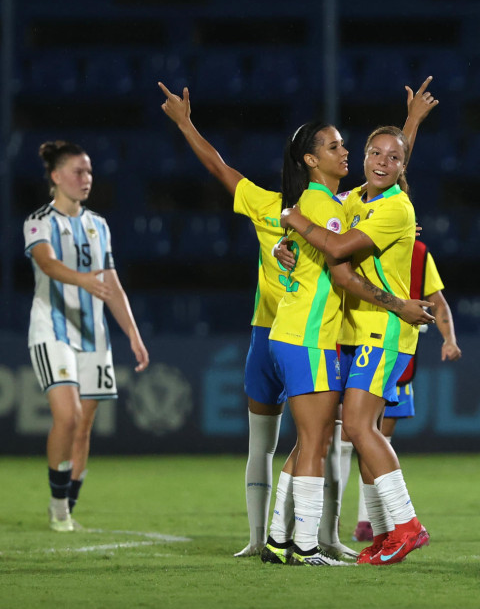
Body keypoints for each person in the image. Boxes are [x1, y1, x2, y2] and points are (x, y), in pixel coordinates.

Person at [158, 79, 437, 562]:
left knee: (302, 441)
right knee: (329, 437)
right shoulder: (329, 208)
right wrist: (397, 303)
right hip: (317, 335)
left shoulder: (316, 204)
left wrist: (290, 225)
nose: (355, 154)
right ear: (311, 159)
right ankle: (327, 540)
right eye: (340, 146)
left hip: (280, 332)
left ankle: (278, 537)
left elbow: (222, 171)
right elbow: (339, 260)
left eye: (362, 148)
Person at [281, 125, 430, 565]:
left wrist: (295, 220)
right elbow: (325, 232)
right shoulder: (354, 200)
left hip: (382, 330)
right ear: (364, 157)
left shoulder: (396, 208)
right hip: (355, 331)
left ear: (404, 168)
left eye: (394, 158)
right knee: (359, 432)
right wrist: (281, 246)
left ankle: (407, 526)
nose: (383, 162)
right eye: (375, 153)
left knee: (362, 429)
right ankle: (387, 533)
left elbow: (339, 246)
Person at [24, 140, 150, 532]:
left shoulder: (98, 225)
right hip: (52, 331)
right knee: (68, 415)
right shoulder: (38, 221)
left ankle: (66, 508)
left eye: (90, 171)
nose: (86, 178)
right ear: (56, 176)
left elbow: (111, 282)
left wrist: (132, 333)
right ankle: (58, 503)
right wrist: (83, 280)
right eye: (78, 171)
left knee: (84, 426)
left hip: (94, 335)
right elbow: (46, 262)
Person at [343, 239, 462, 542]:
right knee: (349, 437)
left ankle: (370, 521)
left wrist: (449, 338)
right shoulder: (356, 238)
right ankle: (346, 525)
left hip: (392, 346)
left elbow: (437, 299)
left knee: (371, 435)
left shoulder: (418, 252)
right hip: (354, 341)